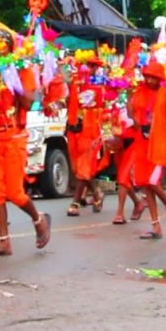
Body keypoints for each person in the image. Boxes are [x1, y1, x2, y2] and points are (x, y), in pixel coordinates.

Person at [0, 29, 51, 257]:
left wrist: (13, 81)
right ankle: (4, 242)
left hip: (13, 136)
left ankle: (38, 219)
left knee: (15, 193)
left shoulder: (21, 69)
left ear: (10, 47)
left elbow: (29, 101)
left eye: (1, 44)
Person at [129, 62, 166, 239]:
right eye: (147, 76)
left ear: (160, 79)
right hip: (141, 143)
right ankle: (156, 226)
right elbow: (133, 115)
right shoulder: (139, 92)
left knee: (153, 181)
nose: (150, 80)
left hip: (159, 144)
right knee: (145, 185)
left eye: (153, 77)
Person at [65, 61, 106, 217]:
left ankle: (75, 203)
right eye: (86, 65)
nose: (87, 69)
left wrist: (106, 134)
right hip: (74, 128)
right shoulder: (74, 83)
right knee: (77, 167)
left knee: (84, 165)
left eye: (91, 66)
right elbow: (68, 104)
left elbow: (103, 108)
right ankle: (96, 192)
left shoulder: (99, 85)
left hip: (91, 130)